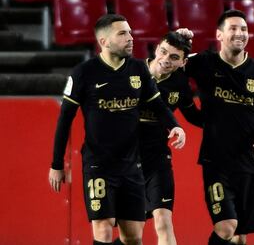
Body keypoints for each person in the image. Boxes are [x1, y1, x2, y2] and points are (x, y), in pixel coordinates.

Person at [48, 14, 186, 245]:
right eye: (122, 33)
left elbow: (157, 105)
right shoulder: (84, 73)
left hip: (132, 166)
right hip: (98, 165)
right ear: (104, 41)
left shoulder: (138, 70)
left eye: (130, 32)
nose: (130, 38)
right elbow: (65, 120)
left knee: (132, 236)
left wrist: (176, 126)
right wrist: (56, 164)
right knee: (102, 229)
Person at [179, 9, 254, 245]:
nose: (240, 33)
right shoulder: (203, 62)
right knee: (226, 227)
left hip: (249, 160)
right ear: (219, 35)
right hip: (216, 161)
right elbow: (169, 65)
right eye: (233, 28)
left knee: (239, 236)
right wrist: (180, 41)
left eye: (243, 29)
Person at [114, 32, 202, 245]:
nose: (166, 60)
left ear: (183, 62)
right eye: (164, 52)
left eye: (174, 57)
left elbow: (195, 117)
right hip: (124, 162)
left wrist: (227, 115)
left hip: (157, 160)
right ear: (156, 49)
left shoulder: (180, 84)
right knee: (132, 235)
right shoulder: (131, 71)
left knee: (163, 221)